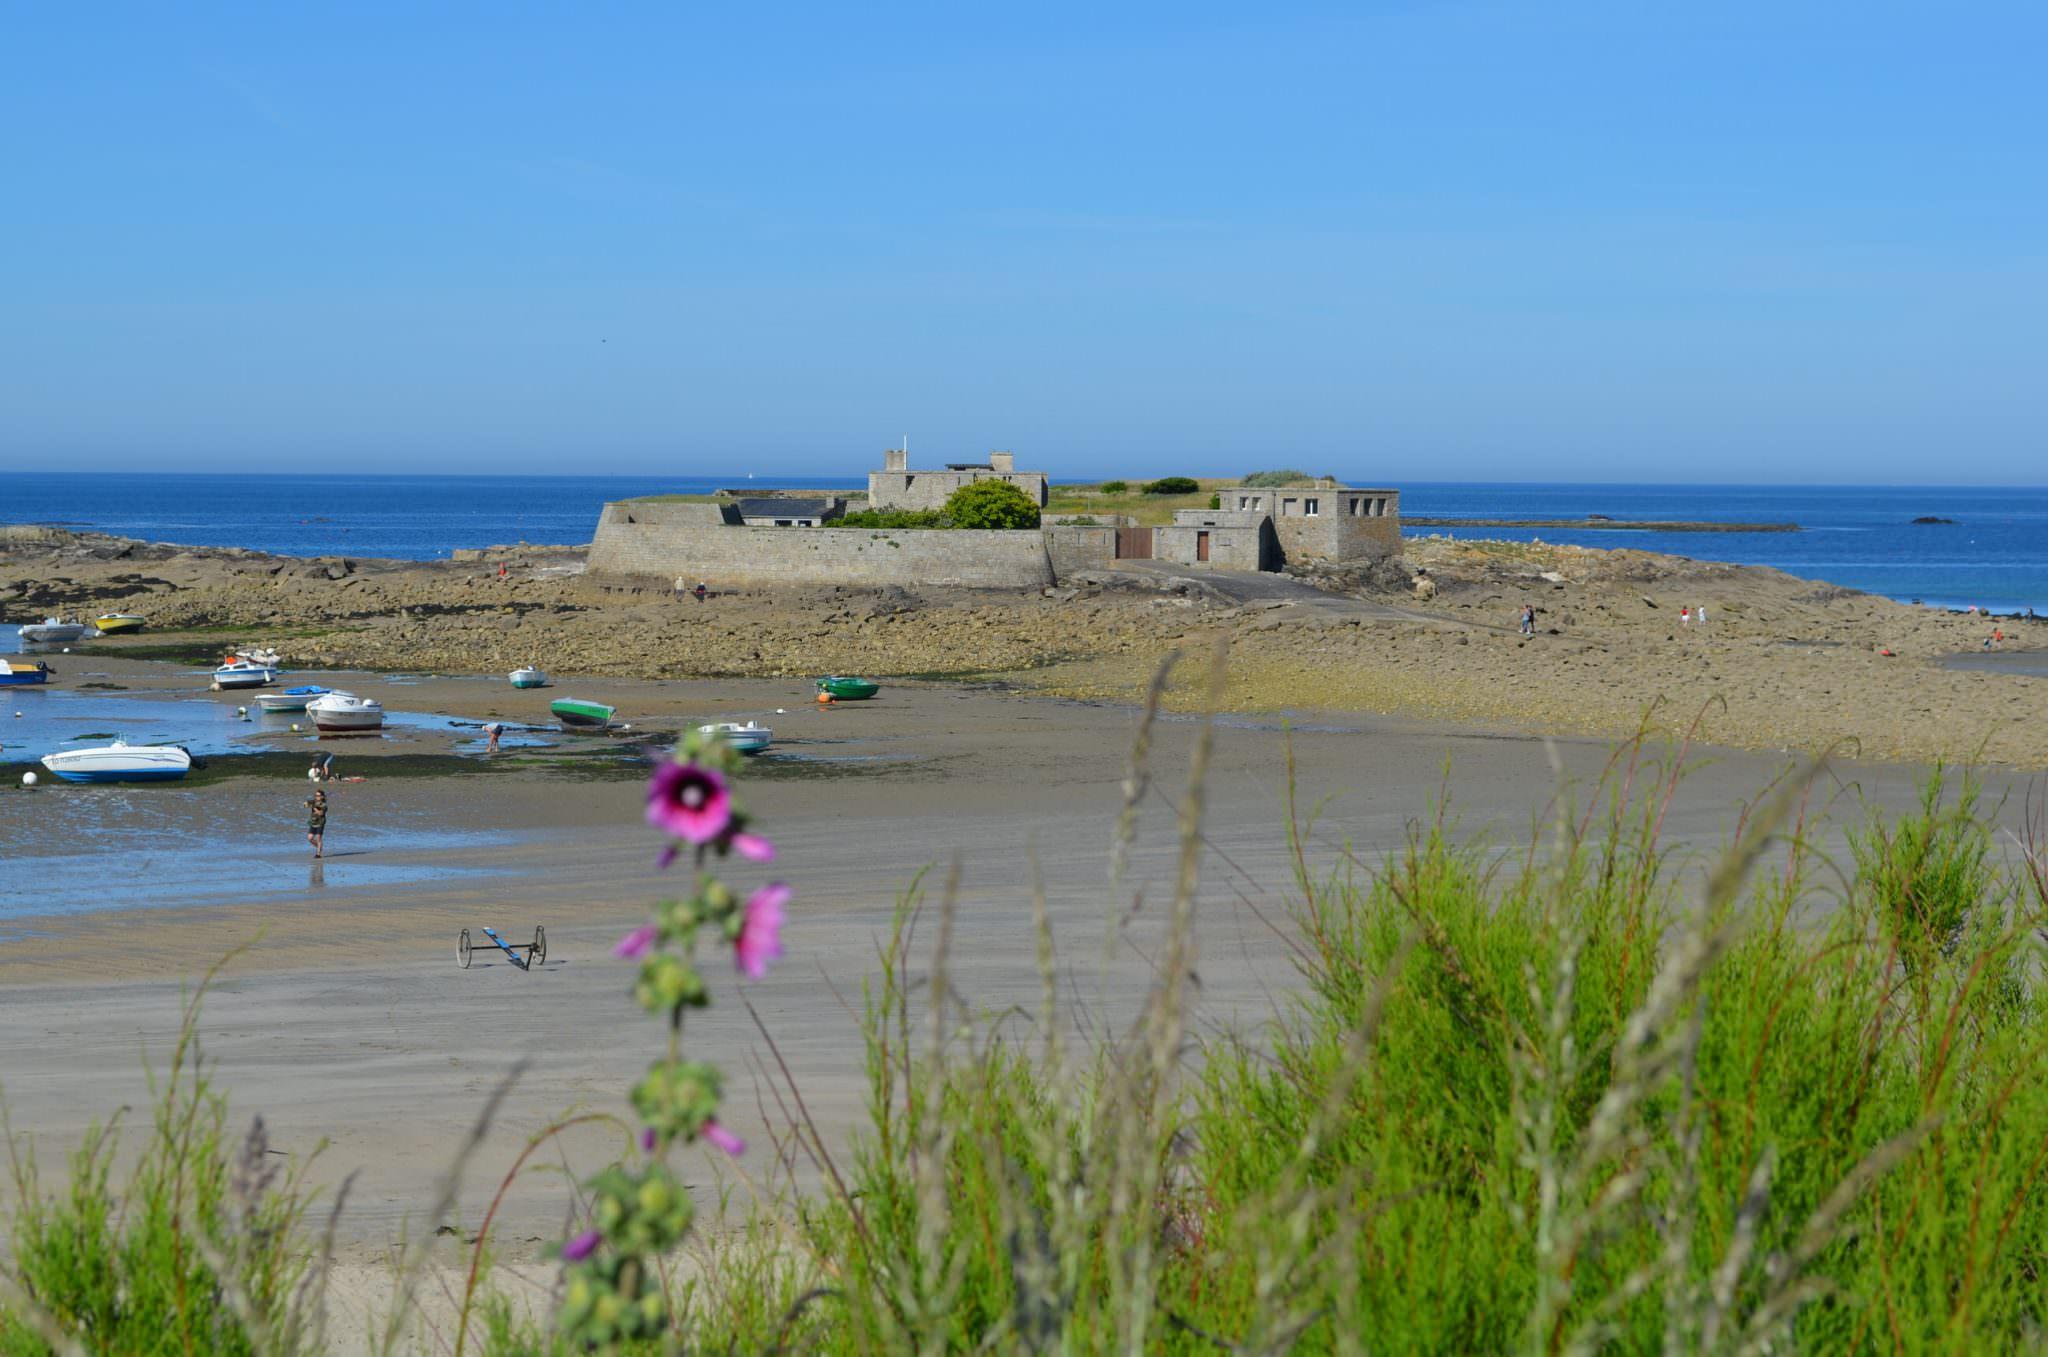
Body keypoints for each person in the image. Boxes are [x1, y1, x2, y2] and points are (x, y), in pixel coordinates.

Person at [305, 789, 328, 859]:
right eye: (316, 795)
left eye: (318, 796)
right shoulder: (313, 802)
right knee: (310, 838)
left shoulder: (324, 805)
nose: (316, 797)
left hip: (320, 822)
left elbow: (321, 813)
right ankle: (319, 847)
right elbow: (305, 805)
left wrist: (314, 807)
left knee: (318, 838)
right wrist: (307, 803)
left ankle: (318, 854)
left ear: (322, 797)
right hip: (313, 822)